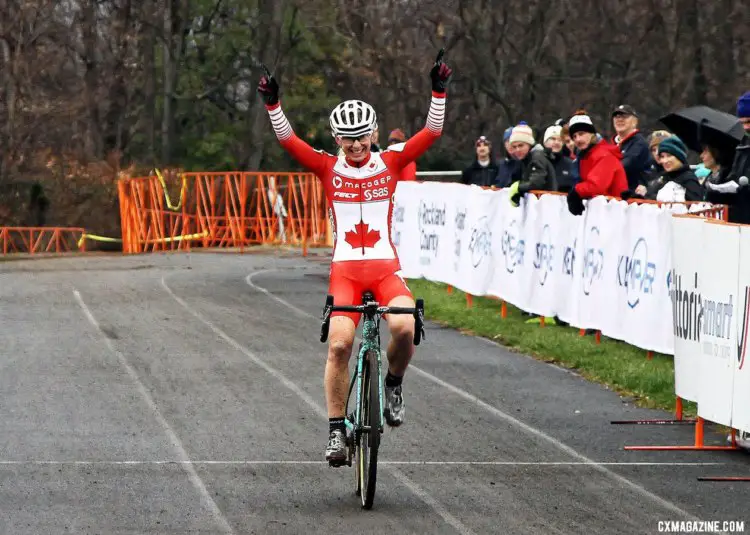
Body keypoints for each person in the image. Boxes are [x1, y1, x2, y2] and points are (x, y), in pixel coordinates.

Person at [257, 50, 453, 465]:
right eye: (348, 138)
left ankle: (394, 383)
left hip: (384, 269)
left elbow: (431, 134)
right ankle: (334, 432)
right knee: (340, 346)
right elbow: (288, 141)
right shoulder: (328, 168)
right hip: (345, 273)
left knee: (404, 327)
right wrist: (274, 104)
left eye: (362, 135)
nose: (356, 144)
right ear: (336, 140)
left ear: (373, 132)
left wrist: (438, 91)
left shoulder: (391, 161)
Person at [565, 111, 628, 216]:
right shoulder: (585, 156)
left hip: (612, 213)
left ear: (592, 133)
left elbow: (596, 186)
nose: (578, 139)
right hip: (602, 212)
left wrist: (576, 192)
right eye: (574, 136)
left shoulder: (604, 155)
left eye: (581, 134)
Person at [506, 124, 557, 206]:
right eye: (514, 147)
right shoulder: (524, 160)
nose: (517, 150)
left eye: (521, 145)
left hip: (546, 206)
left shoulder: (537, 157)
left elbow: (537, 182)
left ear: (529, 144)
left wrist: (518, 187)